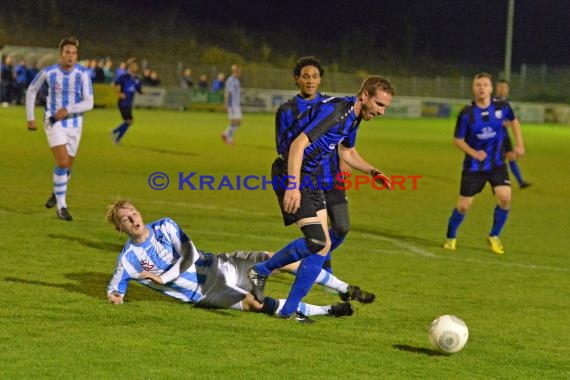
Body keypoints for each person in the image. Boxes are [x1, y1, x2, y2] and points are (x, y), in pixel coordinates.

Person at [248, 75, 395, 322]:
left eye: (385, 107)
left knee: (323, 244)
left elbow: (347, 150)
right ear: (365, 96)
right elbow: (297, 145)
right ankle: (260, 271)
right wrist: (293, 187)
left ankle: (288, 311)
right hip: (291, 173)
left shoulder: (354, 118)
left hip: (311, 178)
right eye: (380, 105)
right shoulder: (337, 110)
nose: (382, 111)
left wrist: (371, 170)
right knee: (316, 239)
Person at [106, 200, 367, 322]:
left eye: (133, 213)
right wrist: (115, 297)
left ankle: (343, 287)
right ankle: (327, 310)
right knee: (255, 303)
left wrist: (162, 278)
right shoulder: (128, 261)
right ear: (120, 228)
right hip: (205, 291)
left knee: (272, 259)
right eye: (125, 219)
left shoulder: (165, 225)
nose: (132, 219)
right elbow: (115, 290)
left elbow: (188, 255)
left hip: (214, 264)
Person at [276, 56, 364, 274]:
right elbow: (285, 149)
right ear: (296, 79)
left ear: (320, 80)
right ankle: (322, 271)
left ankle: (313, 266)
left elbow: (342, 137)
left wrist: (344, 159)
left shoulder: (332, 105)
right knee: (319, 235)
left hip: (331, 176)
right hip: (307, 177)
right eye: (305, 76)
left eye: (315, 76)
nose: (310, 80)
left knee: (342, 227)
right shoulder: (286, 111)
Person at [443, 73, 525, 255]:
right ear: (473, 88)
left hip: (497, 163)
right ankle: (451, 236)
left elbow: (514, 121)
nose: (481, 88)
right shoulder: (466, 113)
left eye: (485, 85)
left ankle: (494, 235)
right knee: (463, 206)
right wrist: (474, 153)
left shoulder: (502, 107)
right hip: (473, 167)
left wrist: (519, 144)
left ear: (491, 88)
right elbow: (457, 140)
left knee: (505, 198)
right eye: (478, 85)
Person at [26, 37, 94, 221]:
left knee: (68, 166)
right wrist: (30, 117)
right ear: (61, 54)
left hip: (75, 124)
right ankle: (61, 207)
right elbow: (32, 90)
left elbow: (89, 102)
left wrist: (69, 110)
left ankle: (57, 192)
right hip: (53, 122)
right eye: (67, 52)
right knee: (63, 162)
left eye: (74, 53)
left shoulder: (83, 73)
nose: (70, 56)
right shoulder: (48, 72)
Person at [494, 79, 531, 189]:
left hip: (505, 137)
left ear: (508, 89)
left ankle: (521, 182)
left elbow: (511, 119)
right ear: (496, 89)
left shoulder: (507, 103)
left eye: (504, 88)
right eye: (500, 87)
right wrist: (502, 123)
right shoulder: (493, 102)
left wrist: (510, 121)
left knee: (511, 157)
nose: (502, 90)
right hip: (496, 137)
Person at [111, 58, 142, 144]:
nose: (135, 67)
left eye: (136, 66)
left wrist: (142, 92)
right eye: (133, 66)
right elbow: (113, 84)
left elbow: (138, 89)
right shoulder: (124, 77)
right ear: (130, 67)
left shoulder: (137, 78)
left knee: (129, 121)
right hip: (123, 103)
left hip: (129, 103)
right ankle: (115, 134)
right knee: (129, 121)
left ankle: (115, 135)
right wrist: (119, 94)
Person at [221, 64, 242, 145]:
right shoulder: (231, 80)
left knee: (237, 122)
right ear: (235, 71)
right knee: (236, 121)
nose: (240, 73)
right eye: (239, 71)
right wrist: (226, 103)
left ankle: (226, 134)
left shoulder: (236, 80)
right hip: (232, 105)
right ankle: (228, 137)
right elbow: (228, 92)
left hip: (236, 104)